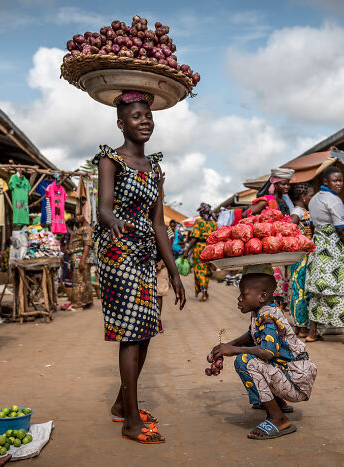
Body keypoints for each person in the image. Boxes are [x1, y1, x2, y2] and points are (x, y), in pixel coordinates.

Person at [93, 90, 185, 444]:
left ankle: (121, 403)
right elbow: (103, 207)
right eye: (136, 116)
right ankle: (131, 420)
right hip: (118, 255)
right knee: (131, 332)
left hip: (146, 256)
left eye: (148, 116)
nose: (144, 121)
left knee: (146, 329)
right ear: (121, 124)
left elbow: (159, 223)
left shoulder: (155, 168)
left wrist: (174, 272)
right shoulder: (109, 161)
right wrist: (113, 221)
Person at [210, 273, 317, 440]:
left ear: (262, 296)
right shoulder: (261, 311)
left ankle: (278, 418)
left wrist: (234, 350)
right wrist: (226, 347)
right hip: (289, 375)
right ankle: (278, 403)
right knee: (249, 356)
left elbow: (268, 352)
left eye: (243, 294)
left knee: (245, 361)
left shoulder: (268, 317)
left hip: (296, 382)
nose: (238, 299)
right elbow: (251, 334)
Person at [305, 167, 344, 344]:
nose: (339, 184)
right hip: (333, 252)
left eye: (341, 180)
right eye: (335, 180)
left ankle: (312, 333)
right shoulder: (334, 200)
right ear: (326, 182)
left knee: (318, 292)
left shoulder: (315, 199)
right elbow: (342, 231)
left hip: (318, 249)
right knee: (341, 290)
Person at [288, 183, 315, 337]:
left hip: (302, 256)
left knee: (299, 290)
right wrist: (300, 238)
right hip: (302, 257)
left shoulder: (303, 211)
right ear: (304, 197)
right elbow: (291, 224)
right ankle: (303, 327)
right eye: (311, 196)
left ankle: (299, 326)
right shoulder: (298, 211)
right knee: (302, 292)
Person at [183, 203, 218, 301]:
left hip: (200, 249)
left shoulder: (198, 222)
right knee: (206, 271)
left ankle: (204, 293)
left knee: (199, 272)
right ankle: (205, 290)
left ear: (202, 213)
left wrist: (187, 251)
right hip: (210, 249)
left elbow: (194, 238)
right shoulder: (214, 223)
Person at [67, 211, 93, 310]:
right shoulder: (82, 228)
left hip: (80, 257)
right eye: (76, 214)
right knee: (85, 280)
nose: (77, 216)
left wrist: (82, 260)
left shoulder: (86, 229)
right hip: (80, 257)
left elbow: (87, 244)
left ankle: (77, 304)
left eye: (79, 214)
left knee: (78, 281)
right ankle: (87, 302)